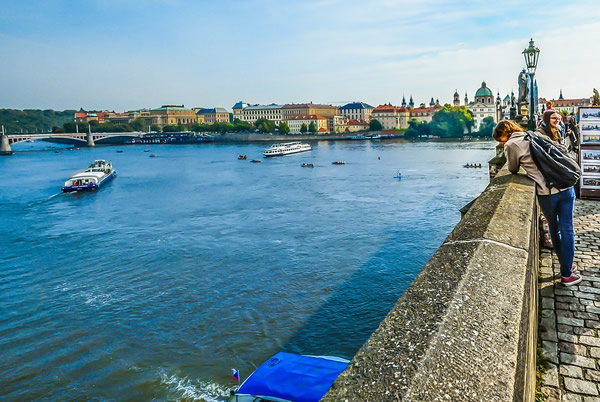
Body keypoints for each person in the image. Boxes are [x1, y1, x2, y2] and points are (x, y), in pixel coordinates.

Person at [493, 118, 581, 286]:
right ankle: (567, 270)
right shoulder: (534, 134)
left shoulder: (512, 145)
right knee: (568, 229)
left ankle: (566, 271)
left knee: (554, 229)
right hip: (566, 187)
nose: (500, 143)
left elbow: (512, 168)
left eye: (499, 140)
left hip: (547, 193)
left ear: (503, 136)